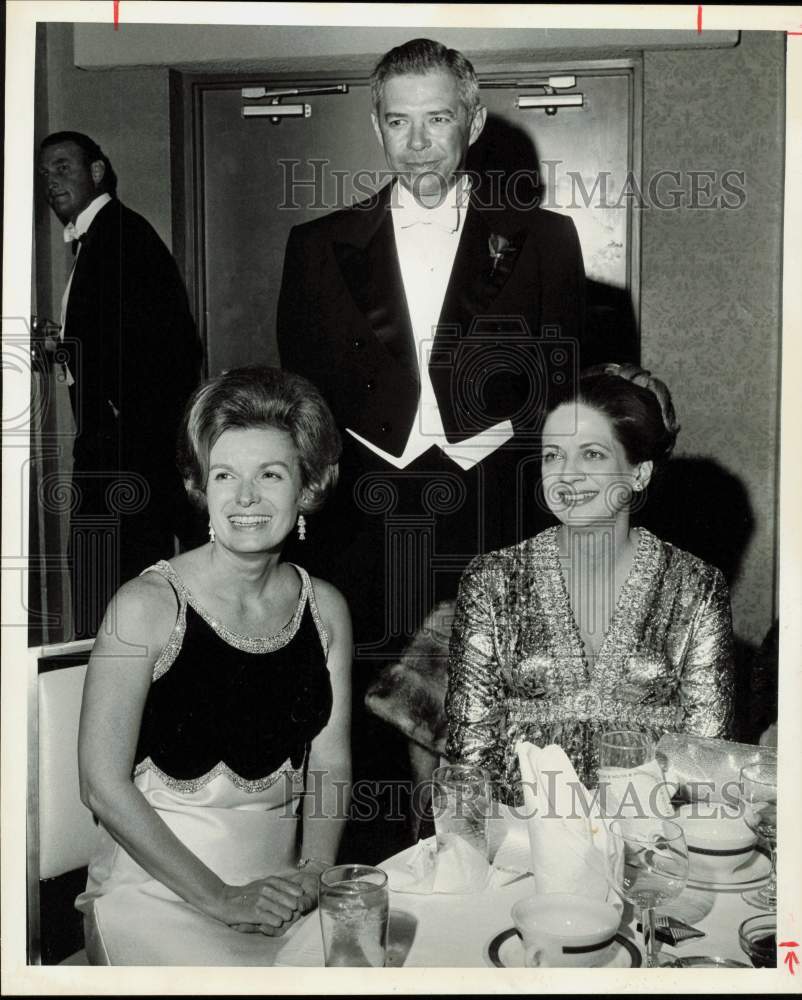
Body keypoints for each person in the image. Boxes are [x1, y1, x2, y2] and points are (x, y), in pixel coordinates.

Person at [277, 38, 585, 848]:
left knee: (495, 716)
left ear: (473, 122)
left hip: (493, 506)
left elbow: (561, 389)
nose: (417, 142)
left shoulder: (545, 240)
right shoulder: (316, 247)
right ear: (377, 126)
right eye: (398, 121)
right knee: (362, 715)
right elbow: (302, 397)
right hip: (363, 514)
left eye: (437, 119)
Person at [75, 366, 351, 966]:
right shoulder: (144, 606)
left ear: (307, 489)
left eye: (270, 475)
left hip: (282, 898)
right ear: (203, 487)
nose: (245, 497)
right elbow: (100, 784)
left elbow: (331, 761)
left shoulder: (324, 607)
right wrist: (223, 898)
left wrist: (317, 872)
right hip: (155, 896)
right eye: (225, 474)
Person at [446, 364, 735, 804]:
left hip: (650, 844)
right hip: (518, 845)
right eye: (553, 455)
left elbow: (705, 762)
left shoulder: (697, 588)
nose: (568, 475)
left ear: (639, 473)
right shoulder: (491, 581)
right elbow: (469, 756)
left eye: (593, 455)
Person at [37, 131, 203, 637]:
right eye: (45, 174)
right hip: (121, 452)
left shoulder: (120, 235)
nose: (51, 181)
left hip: (122, 458)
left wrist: (123, 430)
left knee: (107, 588)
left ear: (98, 171)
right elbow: (121, 338)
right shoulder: (105, 235)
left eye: (63, 167)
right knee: (109, 582)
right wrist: (63, 347)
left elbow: (172, 350)